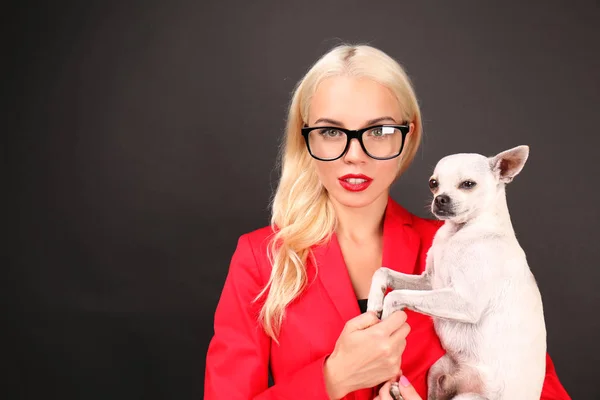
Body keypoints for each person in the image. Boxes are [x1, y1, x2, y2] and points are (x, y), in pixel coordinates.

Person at [204, 44, 571, 400]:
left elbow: (531, 386)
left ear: (407, 137)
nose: (354, 155)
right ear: (305, 139)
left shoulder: (465, 249)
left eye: (378, 131)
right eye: (331, 131)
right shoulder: (261, 259)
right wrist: (332, 379)